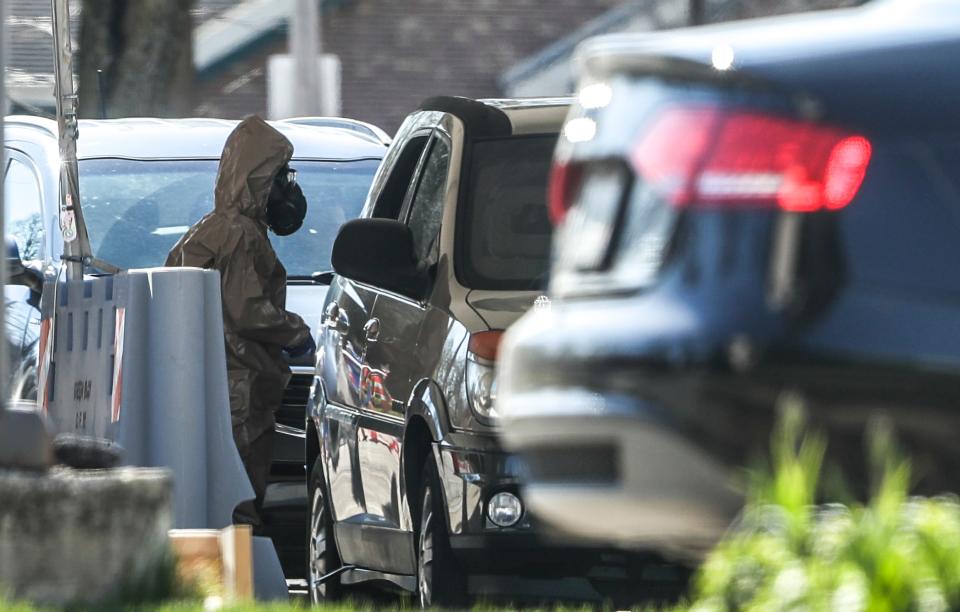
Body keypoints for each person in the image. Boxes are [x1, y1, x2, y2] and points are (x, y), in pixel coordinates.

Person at [166, 116, 316, 526]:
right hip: (240, 386)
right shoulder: (239, 235)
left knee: (218, 492)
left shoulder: (211, 230)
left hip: (218, 383)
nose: (289, 188)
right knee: (241, 497)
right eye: (282, 176)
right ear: (259, 179)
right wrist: (296, 333)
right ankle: (239, 572)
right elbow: (248, 309)